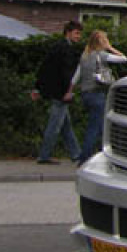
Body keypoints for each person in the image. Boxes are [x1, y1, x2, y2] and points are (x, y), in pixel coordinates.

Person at [73, 29, 127, 164]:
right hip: (97, 94)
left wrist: (70, 91)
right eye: (105, 40)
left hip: (85, 94)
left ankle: (101, 154)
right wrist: (110, 48)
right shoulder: (102, 55)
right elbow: (124, 59)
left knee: (99, 126)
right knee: (95, 127)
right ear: (101, 42)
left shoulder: (84, 56)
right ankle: (84, 158)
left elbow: (75, 78)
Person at [34, 21, 83, 165]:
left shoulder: (58, 47)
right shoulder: (65, 50)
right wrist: (69, 91)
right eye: (76, 33)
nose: (79, 37)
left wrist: (37, 87)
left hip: (56, 92)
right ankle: (44, 155)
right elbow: (66, 74)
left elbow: (45, 67)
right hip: (60, 93)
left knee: (65, 126)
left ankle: (76, 154)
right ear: (68, 32)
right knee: (55, 125)